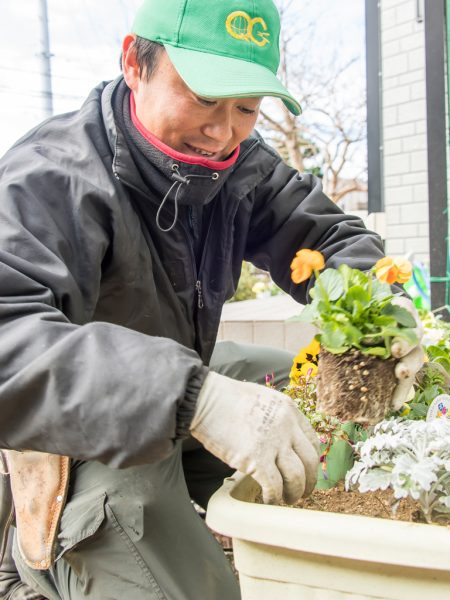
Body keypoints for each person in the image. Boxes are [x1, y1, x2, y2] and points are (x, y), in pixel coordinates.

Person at [0, 0, 423, 598]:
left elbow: (331, 238)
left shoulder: (236, 166)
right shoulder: (52, 178)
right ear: (134, 63)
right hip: (72, 439)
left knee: (314, 390)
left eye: (247, 107)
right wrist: (194, 400)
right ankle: (29, 567)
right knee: (183, 575)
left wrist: (383, 321)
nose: (224, 131)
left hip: (180, 385)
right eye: (203, 98)